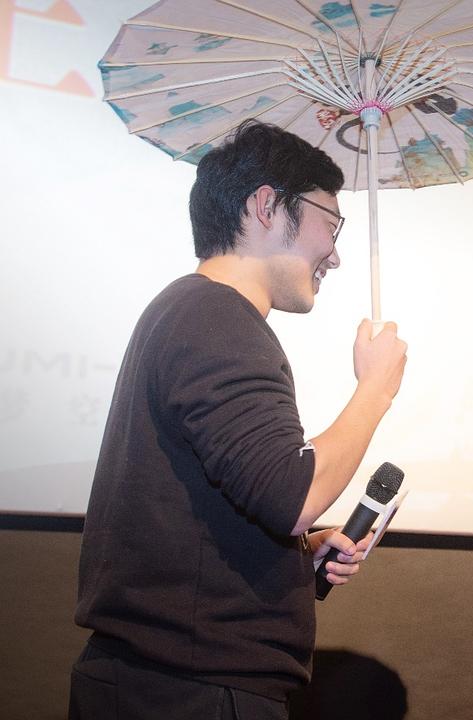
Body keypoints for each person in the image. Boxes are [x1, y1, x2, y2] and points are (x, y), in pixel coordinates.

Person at [69, 121, 408, 720]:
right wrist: (375, 389)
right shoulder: (216, 318)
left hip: (170, 683)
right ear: (266, 205)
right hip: (190, 692)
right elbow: (293, 497)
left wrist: (294, 556)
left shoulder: (191, 311)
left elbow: (221, 506)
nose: (335, 254)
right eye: (330, 224)